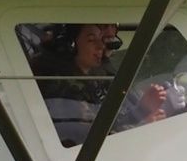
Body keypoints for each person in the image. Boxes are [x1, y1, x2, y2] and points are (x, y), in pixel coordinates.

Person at [31, 24, 166, 144]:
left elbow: (110, 122)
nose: (101, 46)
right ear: (71, 45)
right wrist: (142, 119)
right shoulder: (64, 88)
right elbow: (95, 140)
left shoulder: (96, 75)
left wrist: (144, 110)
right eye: (91, 40)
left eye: (101, 39)